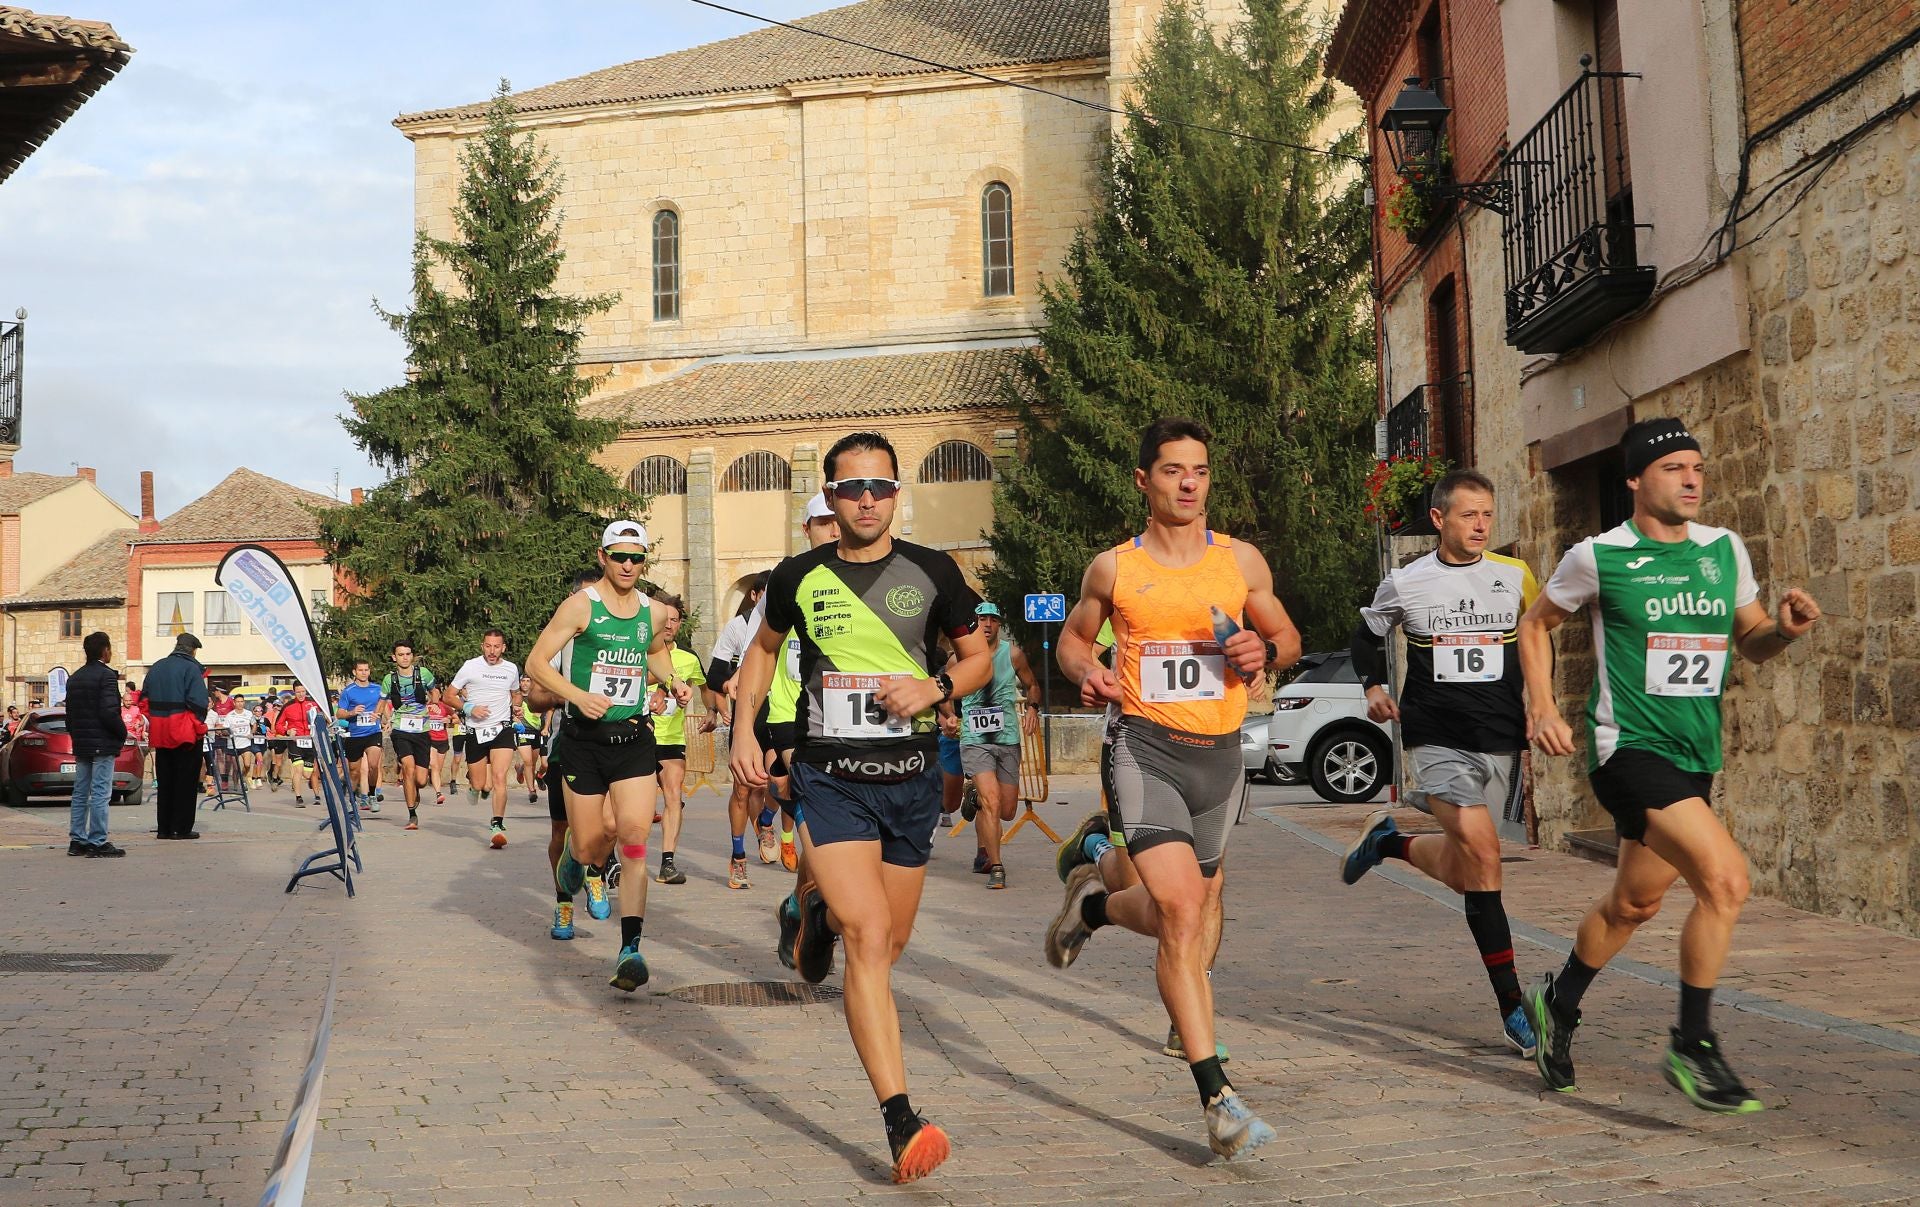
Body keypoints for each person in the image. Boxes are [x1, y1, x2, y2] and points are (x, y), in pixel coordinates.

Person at [1516, 418, 1821, 1114]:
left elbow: (1752, 641)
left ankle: (1557, 1003)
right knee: (1726, 879)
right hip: (1627, 749)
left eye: (1698, 468)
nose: (1690, 480)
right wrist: (1541, 706)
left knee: (1635, 902)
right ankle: (1693, 1041)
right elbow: (1535, 625)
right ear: (1634, 478)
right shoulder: (1598, 555)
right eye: (1674, 467)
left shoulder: (1722, 550)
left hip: (1694, 753)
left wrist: (1785, 630)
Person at [732, 431, 991, 1184]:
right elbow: (762, 651)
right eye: (853, 488)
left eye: (881, 486)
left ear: (897, 491)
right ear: (831, 497)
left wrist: (934, 688)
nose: (868, 499)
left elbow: (977, 656)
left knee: (888, 942)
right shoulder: (799, 576)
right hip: (829, 779)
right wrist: (746, 725)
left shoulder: (934, 572)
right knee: (870, 934)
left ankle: (814, 913)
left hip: (909, 784)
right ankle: (899, 1117)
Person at [1046, 418, 1301, 1161]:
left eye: (1200, 470)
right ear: (1144, 481)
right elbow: (1072, 638)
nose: (1189, 483)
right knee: (1184, 908)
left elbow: (1284, 635)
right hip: (1143, 748)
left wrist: (1264, 649)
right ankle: (1216, 1093)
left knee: (1193, 907)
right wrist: (1085, 669)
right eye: (1172, 471)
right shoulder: (1114, 569)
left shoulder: (1240, 561)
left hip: (1219, 757)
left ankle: (1094, 901)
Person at [1340, 469, 1540, 1058]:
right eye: (1468, 515)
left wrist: (1543, 702)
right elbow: (1365, 635)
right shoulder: (1406, 582)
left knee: (1471, 868)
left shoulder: (1515, 576)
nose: (1480, 525)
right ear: (1439, 520)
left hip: (1498, 735)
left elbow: (1539, 634)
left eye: (1487, 514)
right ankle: (1512, 1006)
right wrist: (1373, 684)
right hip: (1435, 735)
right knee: (1483, 855)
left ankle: (1390, 845)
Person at [535, 521, 689, 989]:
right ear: (602, 557)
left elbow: (653, 654)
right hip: (583, 743)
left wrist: (673, 681)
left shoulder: (656, 611)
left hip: (634, 740)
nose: (627, 565)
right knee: (584, 844)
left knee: (634, 838)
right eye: (618, 556)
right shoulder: (581, 606)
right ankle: (575, 864)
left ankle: (630, 950)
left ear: (645, 561)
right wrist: (576, 697)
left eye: (636, 557)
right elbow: (536, 662)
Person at [958, 601, 1040, 889]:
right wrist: (946, 717)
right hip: (975, 739)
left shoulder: (1013, 654)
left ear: (999, 625)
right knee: (993, 803)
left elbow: (1032, 685)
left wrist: (1033, 708)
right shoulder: (961, 656)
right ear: (974, 624)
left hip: (1006, 739)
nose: (987, 624)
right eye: (982, 619)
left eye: (993, 619)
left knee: (1006, 810)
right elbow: (943, 688)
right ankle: (996, 866)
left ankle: (975, 797)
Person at [706, 571, 772, 888]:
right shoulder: (739, 626)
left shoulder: (792, 626)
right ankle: (738, 856)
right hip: (749, 712)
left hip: (783, 712)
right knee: (745, 788)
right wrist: (732, 680)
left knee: (784, 778)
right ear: (756, 595)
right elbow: (715, 674)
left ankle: (770, 826)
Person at [646, 593, 706, 886]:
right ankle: (613, 859)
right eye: (664, 618)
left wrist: (712, 712)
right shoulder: (639, 649)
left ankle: (667, 862)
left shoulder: (688, 659)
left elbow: (706, 687)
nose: (668, 624)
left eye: (674, 620)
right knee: (639, 806)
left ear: (679, 624)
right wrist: (658, 685)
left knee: (673, 795)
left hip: (671, 739)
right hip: (638, 736)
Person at [445, 629, 524, 848]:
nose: (492, 651)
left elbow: (516, 693)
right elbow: (448, 695)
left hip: (502, 729)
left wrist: (516, 706)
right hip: (476, 731)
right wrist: (469, 708)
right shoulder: (470, 666)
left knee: (499, 777)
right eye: (488, 646)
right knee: (480, 783)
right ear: (482, 646)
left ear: (503, 648)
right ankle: (473, 786)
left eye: (496, 646)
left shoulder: (511, 669)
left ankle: (497, 824)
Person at [65, 631, 128, 858]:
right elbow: (109, 712)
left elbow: (69, 715)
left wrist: (77, 735)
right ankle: (97, 841)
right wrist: (122, 732)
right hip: (102, 741)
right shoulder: (107, 676)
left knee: (81, 791)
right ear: (105, 650)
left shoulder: (75, 678)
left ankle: (77, 840)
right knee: (101, 792)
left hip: (81, 741)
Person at [142, 633, 209, 840]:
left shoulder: (156, 667)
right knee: (185, 782)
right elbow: (199, 703)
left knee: (166, 781)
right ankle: (180, 829)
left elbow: (144, 702)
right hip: (184, 733)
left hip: (160, 732)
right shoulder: (192, 669)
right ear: (192, 650)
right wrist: (198, 727)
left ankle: (164, 828)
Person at [378, 641, 438, 830]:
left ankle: (415, 791)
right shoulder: (389, 679)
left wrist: (434, 702)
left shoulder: (423, 674)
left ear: (412, 656)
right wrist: (377, 714)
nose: (404, 657)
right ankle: (412, 814)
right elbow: (382, 700)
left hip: (421, 729)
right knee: (407, 768)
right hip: (400, 729)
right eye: (400, 654)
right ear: (394, 657)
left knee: (420, 779)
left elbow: (434, 691)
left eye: (408, 654)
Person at [336, 661, 385, 812]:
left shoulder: (377, 689)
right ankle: (351, 799)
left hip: (373, 732)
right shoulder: (348, 691)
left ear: (369, 671)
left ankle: (372, 795)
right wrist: (352, 712)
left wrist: (381, 715)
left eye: (366, 670)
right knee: (354, 771)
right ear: (354, 672)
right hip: (355, 735)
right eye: (360, 670)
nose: (364, 673)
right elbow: (339, 713)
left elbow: (383, 705)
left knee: (373, 765)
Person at [272, 685, 321, 806]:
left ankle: (311, 783)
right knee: (298, 770)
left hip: (310, 742)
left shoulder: (313, 704)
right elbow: (278, 725)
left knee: (308, 774)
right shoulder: (288, 706)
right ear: (294, 692)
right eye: (298, 692)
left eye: (303, 691)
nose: (301, 694)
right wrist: (287, 731)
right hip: (295, 743)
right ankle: (299, 797)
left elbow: (322, 719)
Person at [514, 676, 542, 804]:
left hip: (535, 731)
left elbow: (540, 713)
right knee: (528, 761)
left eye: (528, 681)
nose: (525, 683)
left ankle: (520, 769)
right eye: (522, 681)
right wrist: (515, 719)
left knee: (533, 762)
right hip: (522, 731)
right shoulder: (516, 696)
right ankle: (532, 790)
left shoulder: (535, 697)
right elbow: (510, 711)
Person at [425, 689, 451, 805]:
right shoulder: (425, 707)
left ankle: (431, 777)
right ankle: (439, 793)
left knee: (438, 769)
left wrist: (448, 720)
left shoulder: (445, 707)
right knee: (434, 765)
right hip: (430, 740)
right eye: (431, 694)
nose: (433, 696)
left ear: (440, 695)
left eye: (436, 694)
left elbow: (456, 719)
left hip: (442, 740)